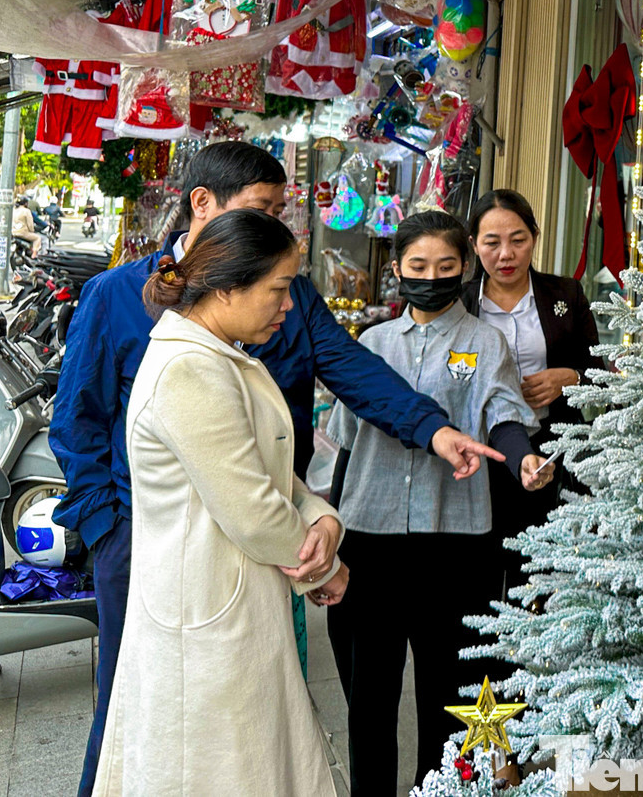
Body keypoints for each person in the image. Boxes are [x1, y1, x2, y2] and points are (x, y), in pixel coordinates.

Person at [51, 141, 502, 797]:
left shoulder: (281, 299)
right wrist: (109, 532)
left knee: (249, 721)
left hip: (267, 549)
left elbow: (350, 370)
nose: (281, 227)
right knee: (144, 715)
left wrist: (431, 429)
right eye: (265, 209)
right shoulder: (123, 301)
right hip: (160, 544)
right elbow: (78, 420)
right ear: (204, 206)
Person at [95, 210, 346, 796]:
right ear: (229, 286)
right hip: (207, 615)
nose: (288, 306)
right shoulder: (189, 367)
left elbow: (270, 480)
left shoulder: (216, 354)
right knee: (212, 772)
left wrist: (324, 520)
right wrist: (327, 567)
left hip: (230, 603)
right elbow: (255, 512)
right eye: (278, 289)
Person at [326, 211, 555, 794]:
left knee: (450, 696)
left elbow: (503, 412)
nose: (431, 276)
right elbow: (340, 446)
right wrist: (323, 528)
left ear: (465, 268)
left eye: (446, 266)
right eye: (418, 266)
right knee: (370, 696)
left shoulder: (485, 342)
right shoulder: (370, 345)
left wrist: (523, 456)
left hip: (454, 544)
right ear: (397, 269)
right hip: (369, 541)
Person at [464, 189, 601, 596]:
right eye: (492, 242)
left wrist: (570, 377)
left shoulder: (566, 295)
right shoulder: (461, 303)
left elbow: (600, 369)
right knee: (483, 573)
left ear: (534, 238)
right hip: (481, 456)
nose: (506, 254)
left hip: (550, 448)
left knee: (540, 569)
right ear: (474, 246)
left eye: (517, 240)